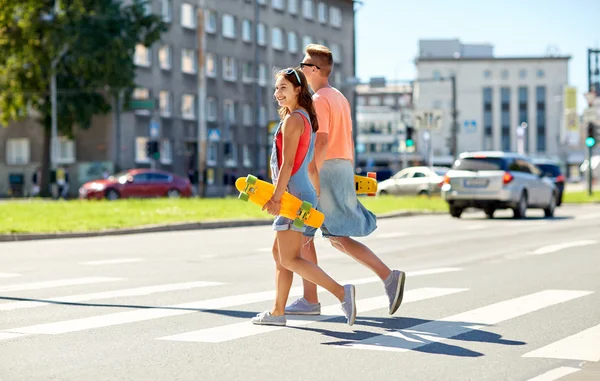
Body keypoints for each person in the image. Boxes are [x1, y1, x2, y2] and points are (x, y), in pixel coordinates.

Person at [284, 44, 406, 317]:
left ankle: (311, 299)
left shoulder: (319, 100)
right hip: (341, 165)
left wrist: (311, 175)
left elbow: (323, 139)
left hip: (326, 168)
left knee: (310, 232)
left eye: (304, 65)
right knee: (331, 235)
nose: (301, 68)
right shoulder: (338, 96)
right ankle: (386, 278)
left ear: (314, 70)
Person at [251, 67, 356, 327]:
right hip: (302, 193)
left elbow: (287, 165)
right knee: (280, 254)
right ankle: (277, 312)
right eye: (276, 88)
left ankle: (342, 292)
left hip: (293, 197)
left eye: (283, 88)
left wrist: (276, 198)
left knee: (288, 258)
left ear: (298, 89)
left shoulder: (293, 120)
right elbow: (303, 165)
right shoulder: (304, 117)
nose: (278, 93)